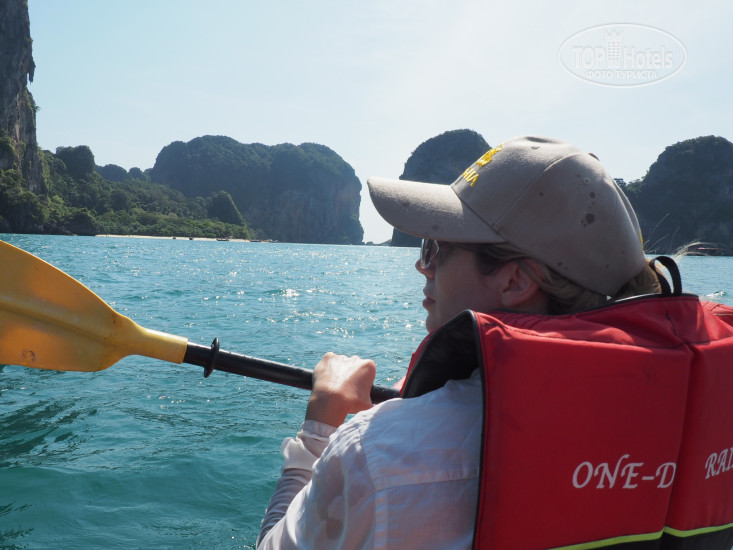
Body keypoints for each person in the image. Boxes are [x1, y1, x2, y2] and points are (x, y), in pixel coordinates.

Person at [256, 136, 733, 549]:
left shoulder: (377, 455)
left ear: (514, 280)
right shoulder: (698, 419)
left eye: (436, 247)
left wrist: (321, 427)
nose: (422, 265)